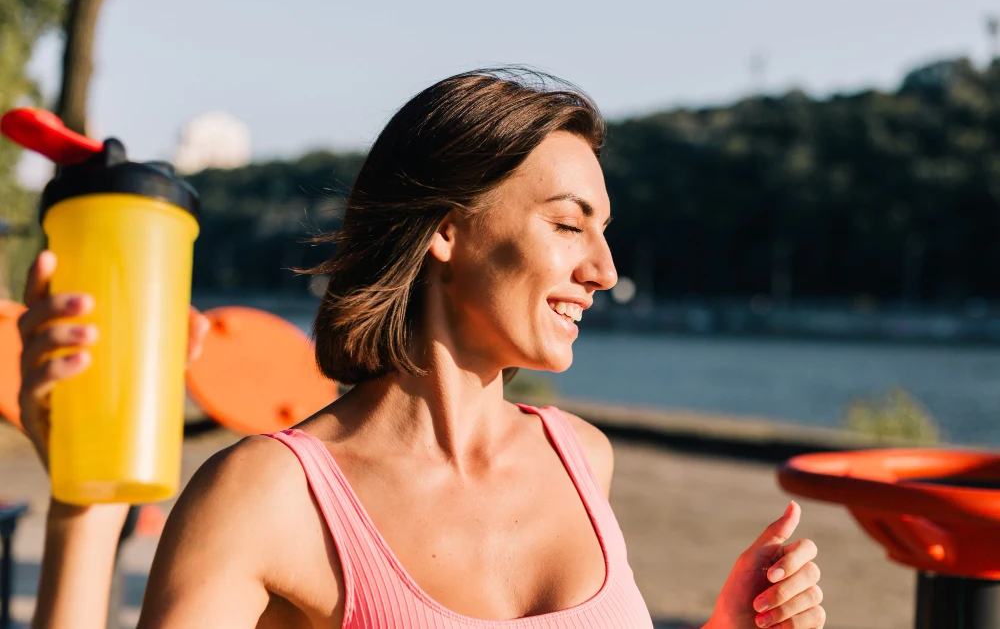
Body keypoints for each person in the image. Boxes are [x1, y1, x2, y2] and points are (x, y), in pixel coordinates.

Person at [17, 69, 825, 629]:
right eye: (567, 223)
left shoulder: (583, 458)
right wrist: (84, 510)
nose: (605, 270)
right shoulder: (268, 496)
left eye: (604, 232)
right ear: (446, 230)